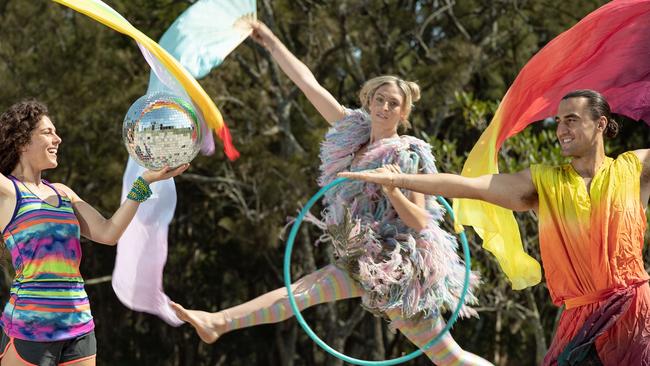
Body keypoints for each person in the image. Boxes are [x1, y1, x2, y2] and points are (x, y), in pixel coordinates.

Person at [171, 21, 492, 365]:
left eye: (393, 103)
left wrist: (394, 189)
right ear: (369, 101)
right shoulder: (351, 131)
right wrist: (272, 42)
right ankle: (217, 322)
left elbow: (420, 220)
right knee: (301, 293)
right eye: (379, 99)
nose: (384, 108)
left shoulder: (407, 154)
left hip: (397, 270)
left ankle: (218, 322)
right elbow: (308, 84)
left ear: (403, 112)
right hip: (360, 257)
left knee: (449, 358)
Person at [341, 89, 650, 365]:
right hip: (580, 321)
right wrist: (398, 180)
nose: (561, 130)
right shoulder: (542, 181)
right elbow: (469, 186)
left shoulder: (634, 169)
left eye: (571, 120)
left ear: (600, 124)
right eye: (557, 121)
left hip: (637, 314)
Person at [0, 100, 188, 366]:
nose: (58, 139)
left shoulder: (63, 193)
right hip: (30, 327)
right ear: (21, 141)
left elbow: (108, 233)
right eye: (47, 132)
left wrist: (144, 181)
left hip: (79, 326)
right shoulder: (7, 191)